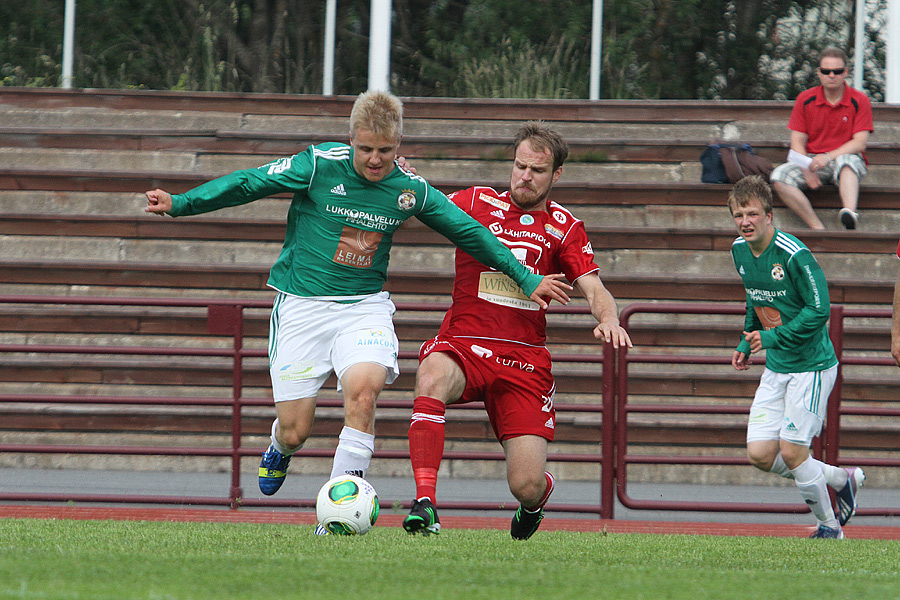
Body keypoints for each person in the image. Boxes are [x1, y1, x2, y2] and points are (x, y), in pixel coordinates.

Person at [143, 92, 570, 533]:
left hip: (363, 309)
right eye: (365, 149)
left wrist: (526, 276)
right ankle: (279, 447)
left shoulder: (408, 188)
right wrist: (182, 203)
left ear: (398, 145)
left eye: (385, 151)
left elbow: (467, 231)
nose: (374, 160)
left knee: (364, 395)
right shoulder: (317, 165)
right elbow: (250, 183)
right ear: (351, 140)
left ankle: (337, 515)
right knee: (296, 430)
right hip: (303, 305)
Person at [400, 121, 632, 540]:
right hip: (465, 344)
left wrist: (609, 318)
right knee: (430, 375)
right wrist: (404, 180)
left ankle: (536, 500)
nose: (525, 176)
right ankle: (425, 503)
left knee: (525, 484)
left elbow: (594, 287)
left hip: (523, 361)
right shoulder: (476, 202)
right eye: (520, 166)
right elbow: (423, 203)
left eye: (537, 170)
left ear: (555, 175)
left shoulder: (565, 227)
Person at [728, 175, 864, 539]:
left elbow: (820, 310)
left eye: (752, 213)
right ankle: (839, 478)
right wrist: (746, 342)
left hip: (812, 367)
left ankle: (829, 527)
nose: (745, 221)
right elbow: (755, 299)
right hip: (777, 366)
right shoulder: (739, 250)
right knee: (759, 453)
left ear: (769, 215)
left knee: (791, 451)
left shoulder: (793, 253)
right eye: (739, 214)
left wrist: (771, 337)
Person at [769, 46, 873, 231]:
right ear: (819, 73)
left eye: (837, 71)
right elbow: (797, 141)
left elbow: (860, 143)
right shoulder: (805, 99)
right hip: (813, 160)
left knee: (846, 161)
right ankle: (817, 227)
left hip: (846, 161)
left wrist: (828, 157)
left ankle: (849, 213)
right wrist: (806, 166)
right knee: (778, 177)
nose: (831, 75)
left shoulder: (860, 100)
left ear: (845, 72)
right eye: (826, 71)